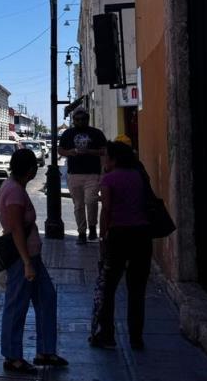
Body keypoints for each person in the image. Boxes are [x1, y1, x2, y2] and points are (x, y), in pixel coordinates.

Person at [0, 148, 68, 374]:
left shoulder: (12, 186)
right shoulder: (15, 192)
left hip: (31, 257)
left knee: (47, 297)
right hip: (22, 258)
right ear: (30, 170)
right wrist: (27, 262)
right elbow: (16, 229)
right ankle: (13, 356)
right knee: (17, 305)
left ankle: (45, 350)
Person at [90, 140, 153, 351]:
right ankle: (137, 338)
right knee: (137, 290)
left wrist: (102, 237)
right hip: (142, 236)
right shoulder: (139, 176)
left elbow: (106, 210)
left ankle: (107, 334)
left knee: (109, 287)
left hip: (118, 235)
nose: (103, 159)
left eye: (105, 156)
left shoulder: (109, 179)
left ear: (114, 159)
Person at [58, 109, 108, 244]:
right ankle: (81, 232)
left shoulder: (96, 133)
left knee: (91, 201)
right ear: (73, 120)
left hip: (92, 174)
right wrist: (69, 152)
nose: (80, 122)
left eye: (83, 119)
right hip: (74, 175)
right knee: (78, 205)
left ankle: (92, 227)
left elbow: (104, 151)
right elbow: (60, 150)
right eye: (77, 119)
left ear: (88, 119)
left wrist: (90, 152)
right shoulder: (68, 133)